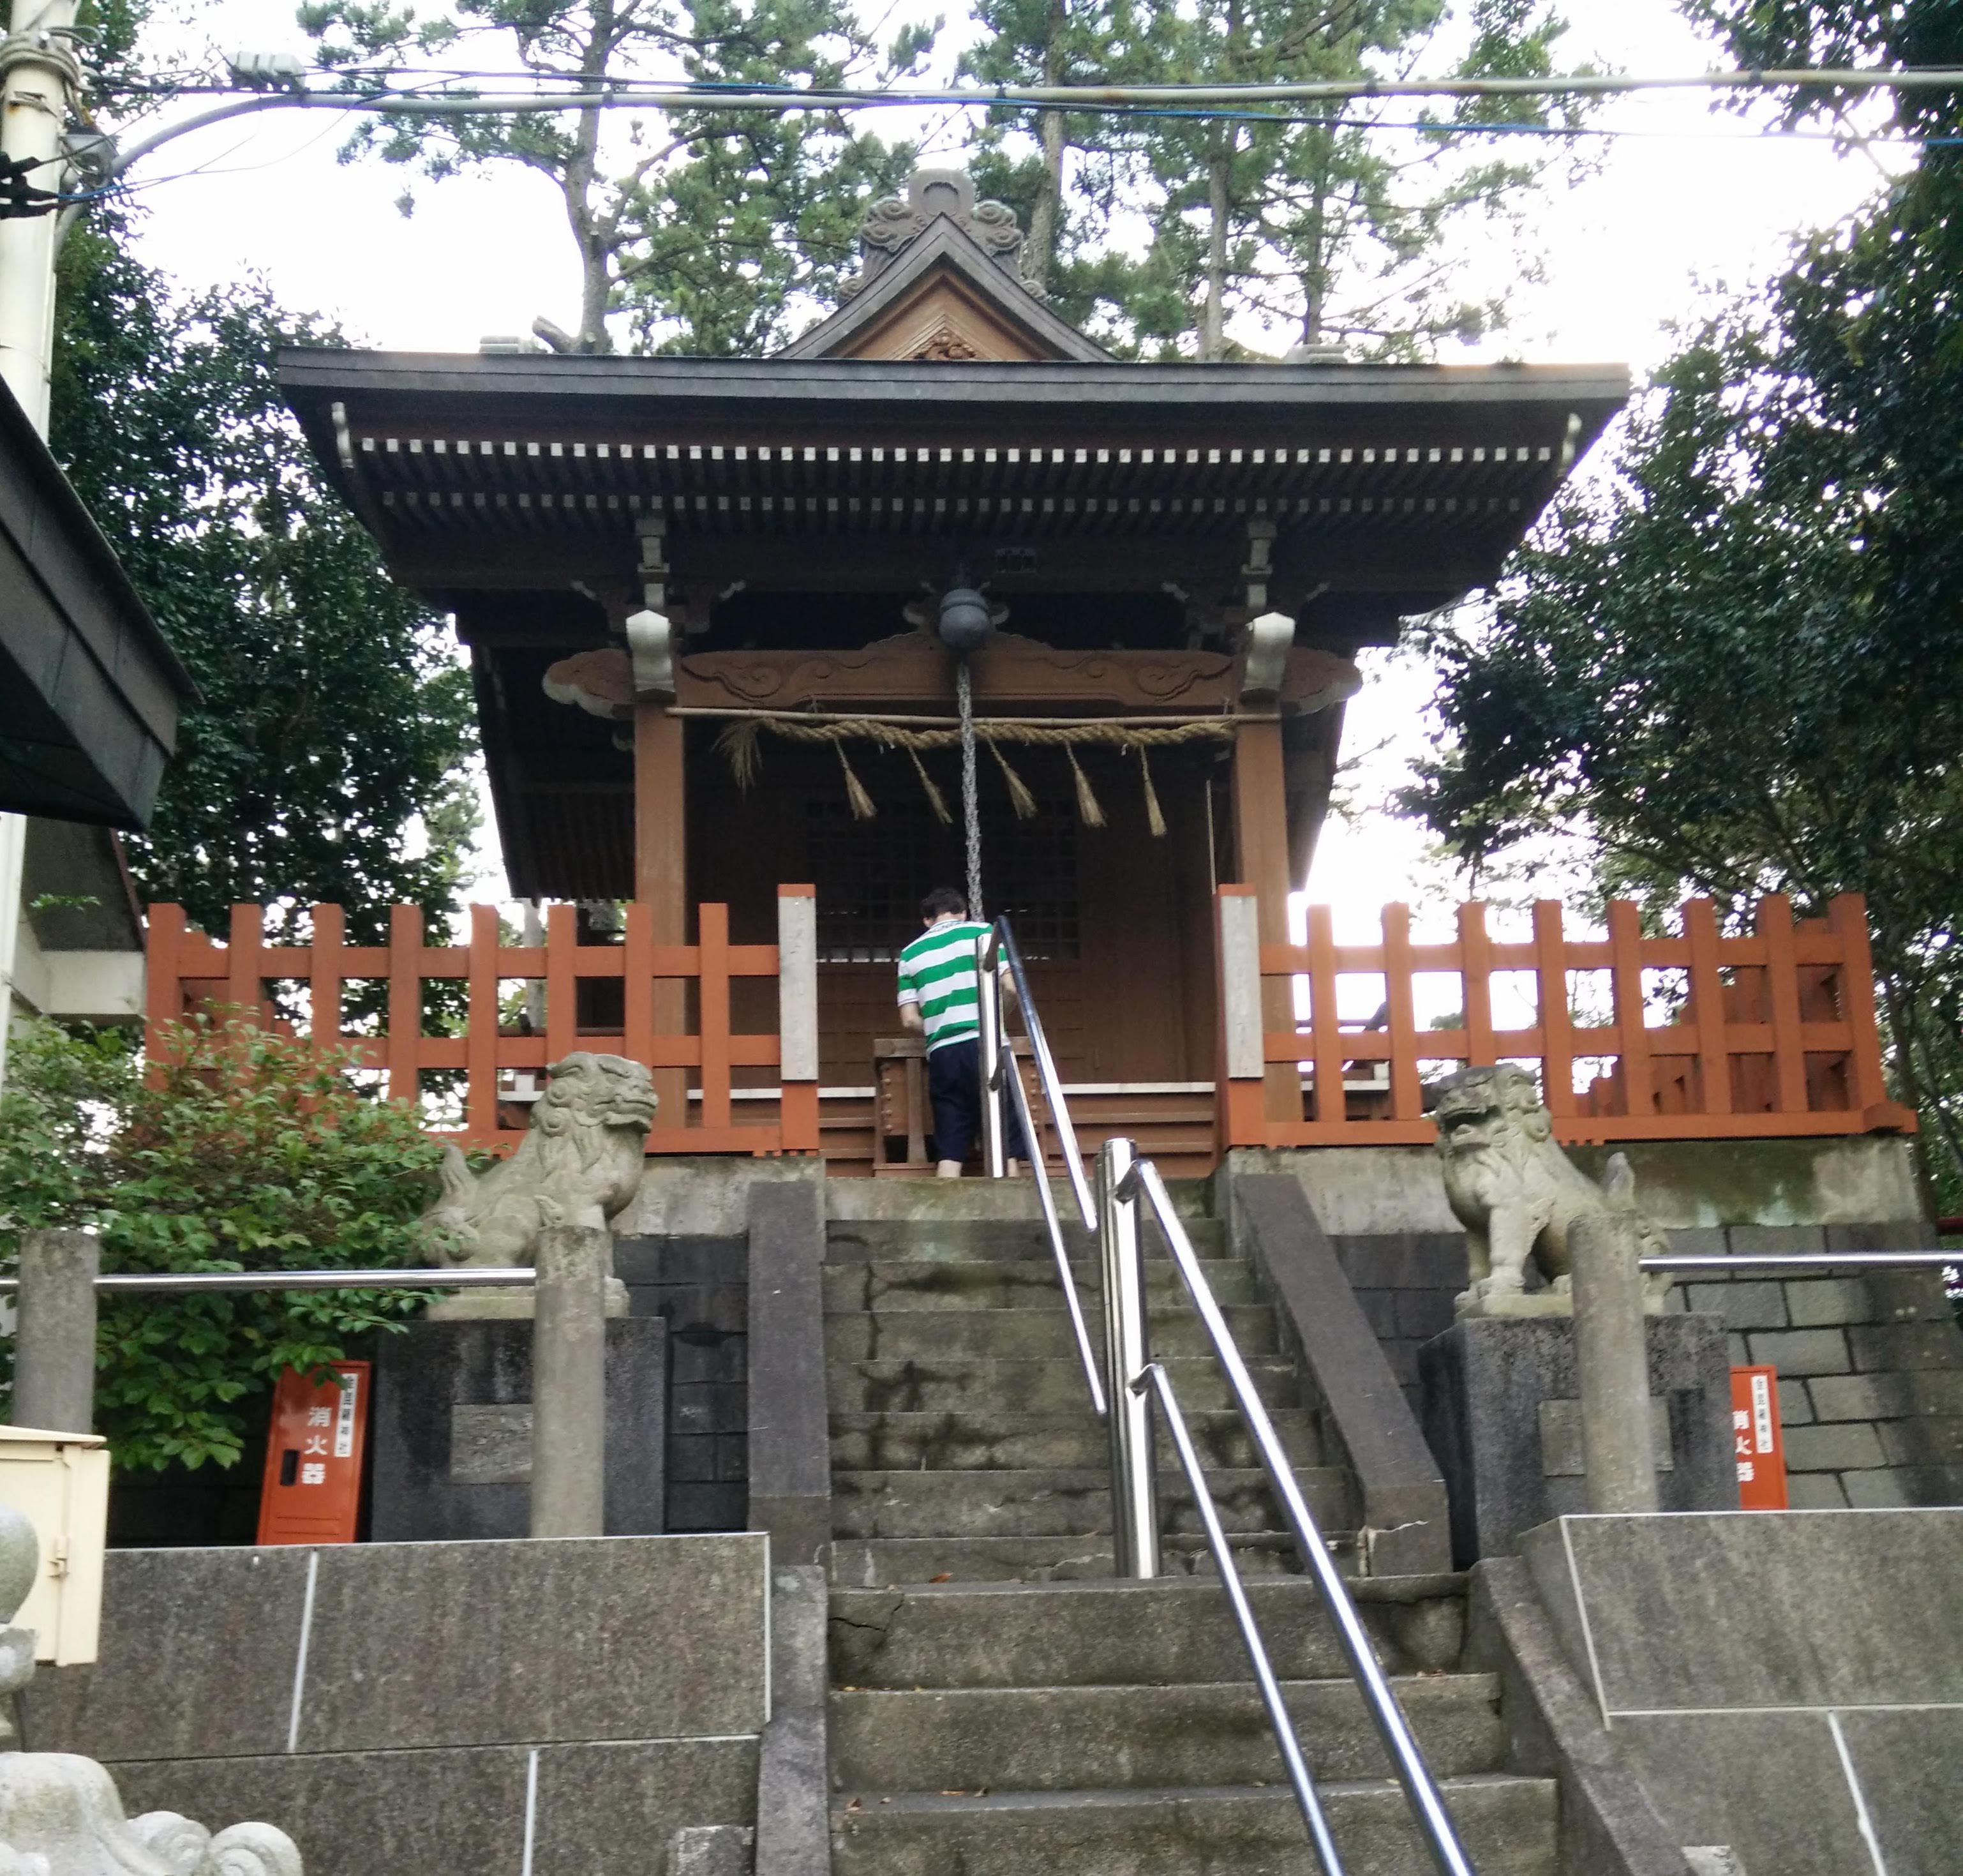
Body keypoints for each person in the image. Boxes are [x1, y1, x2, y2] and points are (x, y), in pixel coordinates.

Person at [895, 886, 1029, 1178]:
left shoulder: (910, 954)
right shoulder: (985, 933)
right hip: (986, 1043)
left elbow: (909, 1019)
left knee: (951, 1138)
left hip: (943, 1051)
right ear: (963, 912)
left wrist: (936, 1023)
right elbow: (1010, 988)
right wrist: (994, 1018)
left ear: (927, 920)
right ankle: (1011, 1207)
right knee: (1004, 1132)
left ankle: (947, 1204)